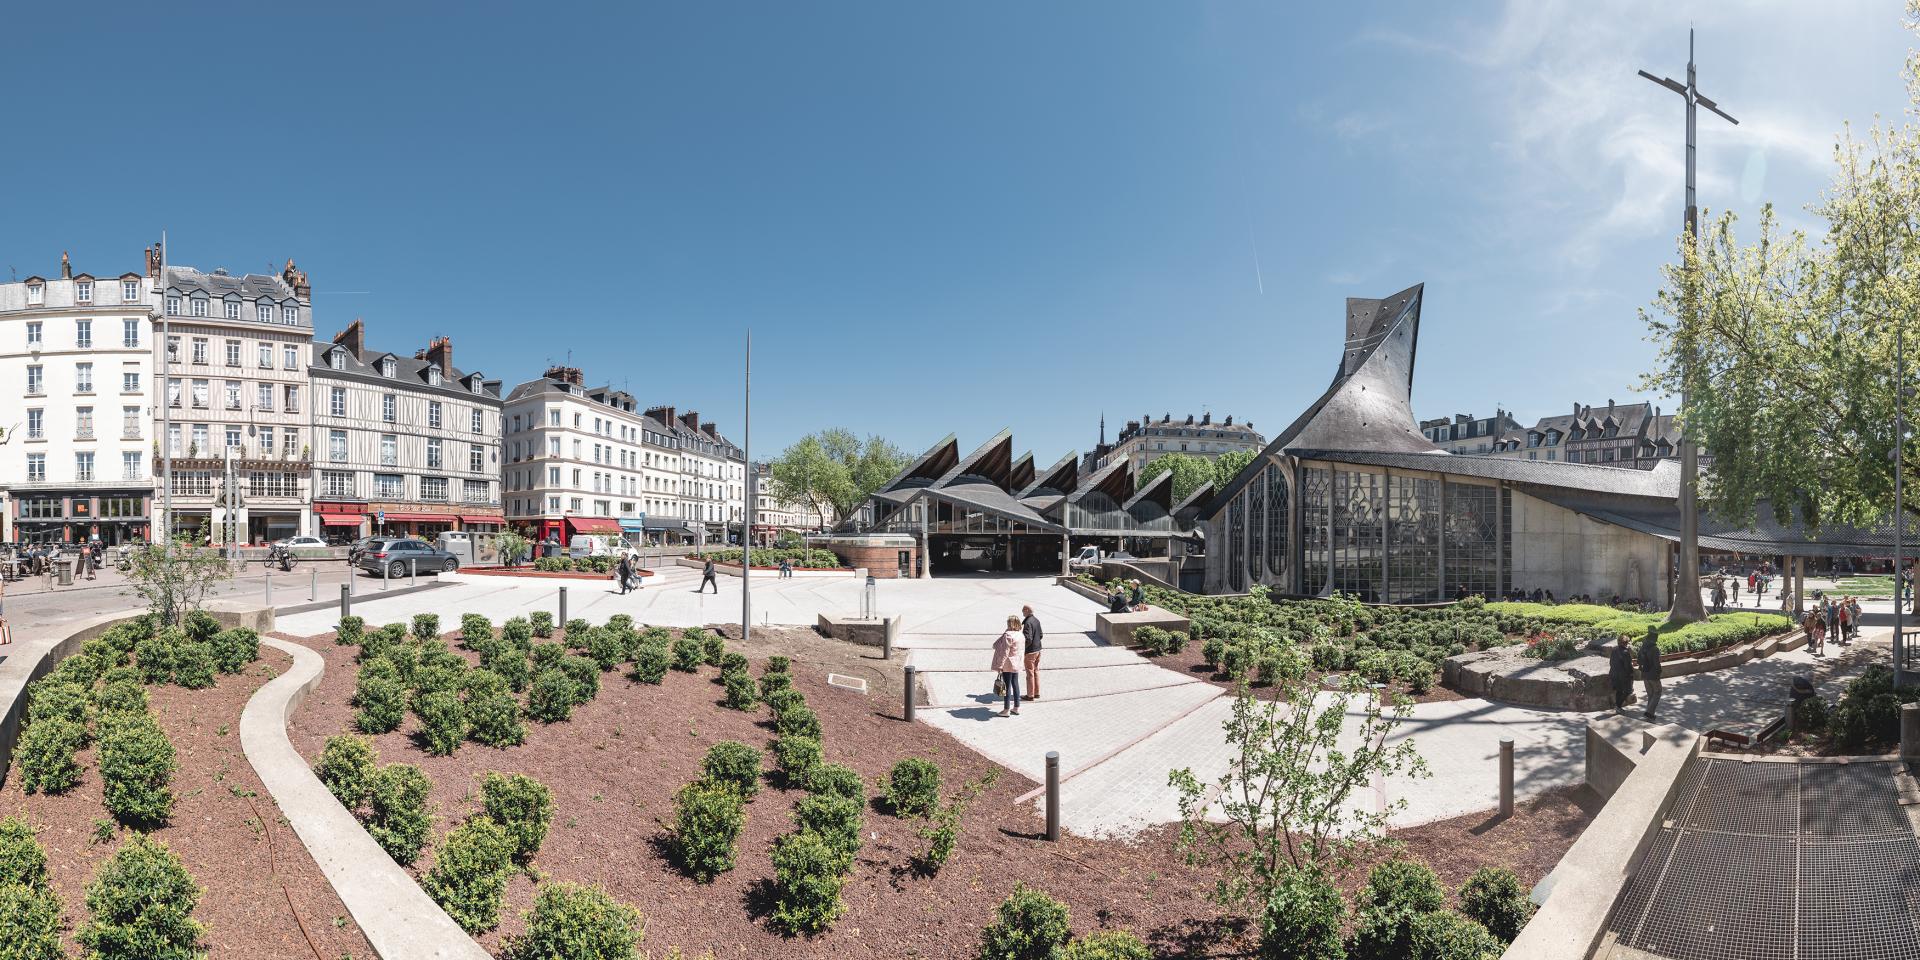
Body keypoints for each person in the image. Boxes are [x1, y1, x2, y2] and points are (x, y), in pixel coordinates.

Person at [991, 615, 1024, 717]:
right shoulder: (1020, 635)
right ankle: (1016, 707)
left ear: (1010, 624)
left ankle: (1006, 710)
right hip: (1016, 663)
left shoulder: (1008, 636)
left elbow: (1005, 652)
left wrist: (1000, 665)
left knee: (1006, 686)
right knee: (1015, 684)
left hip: (1008, 664)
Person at [1638, 627, 1663, 720]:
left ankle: (1649, 713)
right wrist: (1659, 671)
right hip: (1653, 675)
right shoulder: (1655, 649)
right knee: (1657, 692)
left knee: (1651, 694)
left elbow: (1638, 660)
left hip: (1644, 674)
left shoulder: (1643, 647)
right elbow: (1657, 664)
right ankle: (1649, 713)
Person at [1021, 604, 1044, 701]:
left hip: (1030, 652)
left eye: (1023, 610)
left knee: (1030, 673)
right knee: (1036, 671)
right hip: (1038, 650)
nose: (1022, 612)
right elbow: (1041, 635)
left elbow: (1028, 639)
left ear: (1027, 610)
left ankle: (1030, 695)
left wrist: (1023, 649)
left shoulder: (1027, 623)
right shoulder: (1036, 620)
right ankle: (1036, 693)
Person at [1608, 634, 1635, 713]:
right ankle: (1618, 706)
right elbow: (1628, 666)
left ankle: (1618, 706)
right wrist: (1631, 673)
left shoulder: (1614, 650)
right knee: (1628, 691)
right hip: (1623, 676)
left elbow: (1611, 662)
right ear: (1626, 642)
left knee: (1619, 691)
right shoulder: (1625, 652)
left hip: (1614, 674)